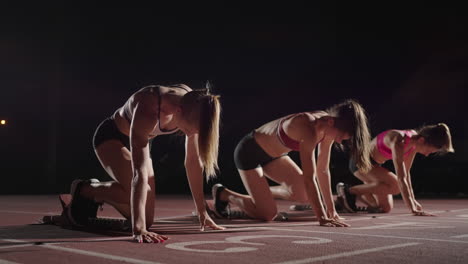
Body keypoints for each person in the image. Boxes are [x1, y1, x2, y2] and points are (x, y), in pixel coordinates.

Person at [67, 83, 225, 243]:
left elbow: (193, 162)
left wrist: (202, 211)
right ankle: (85, 190)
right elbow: (139, 172)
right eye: (191, 130)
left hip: (140, 140)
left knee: (147, 219)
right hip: (113, 137)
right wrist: (138, 228)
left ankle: (99, 194)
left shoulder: (195, 104)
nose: (192, 134)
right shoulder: (149, 105)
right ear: (178, 111)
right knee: (139, 211)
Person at [212, 99, 372, 227]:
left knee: (304, 194)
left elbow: (323, 170)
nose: (339, 141)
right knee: (268, 214)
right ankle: (225, 194)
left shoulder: (329, 126)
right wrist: (322, 217)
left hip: (275, 157)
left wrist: (331, 211)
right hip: (249, 153)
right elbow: (311, 177)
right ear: (330, 121)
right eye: (341, 137)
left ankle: (260, 195)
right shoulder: (307, 127)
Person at [338, 123, 454, 215]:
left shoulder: (414, 144)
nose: (427, 154)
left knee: (385, 208)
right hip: (360, 162)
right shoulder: (399, 140)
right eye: (429, 150)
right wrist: (411, 208)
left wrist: (413, 200)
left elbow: (406, 173)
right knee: (396, 186)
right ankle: (348, 191)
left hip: (374, 166)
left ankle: (343, 200)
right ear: (422, 140)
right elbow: (401, 177)